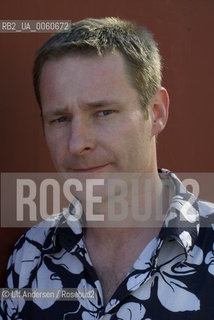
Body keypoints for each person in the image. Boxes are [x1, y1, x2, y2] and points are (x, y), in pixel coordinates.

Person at [1, 17, 214, 320]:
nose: (77, 144)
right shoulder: (30, 257)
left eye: (103, 112)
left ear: (155, 113)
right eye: (60, 119)